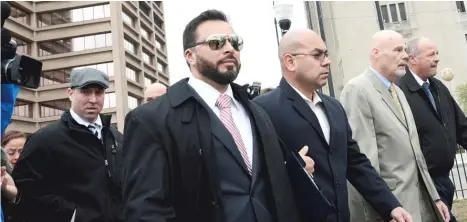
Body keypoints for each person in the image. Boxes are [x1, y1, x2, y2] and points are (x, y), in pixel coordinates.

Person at [121, 10, 314, 222]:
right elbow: (146, 210)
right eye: (216, 43)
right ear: (190, 56)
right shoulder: (151, 120)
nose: (229, 48)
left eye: (235, 42)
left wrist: (295, 168)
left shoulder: (256, 112)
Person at [253, 28, 411, 222]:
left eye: (326, 54)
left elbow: (356, 163)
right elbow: (257, 176)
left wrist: (391, 205)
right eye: (317, 55)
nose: (326, 61)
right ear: (290, 61)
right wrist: (293, 169)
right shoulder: (263, 110)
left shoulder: (334, 107)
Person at [340, 30, 450, 222]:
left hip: (421, 207)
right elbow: (363, 161)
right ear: (376, 53)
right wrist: (383, 210)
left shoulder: (397, 91)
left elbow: (417, 157)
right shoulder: (357, 90)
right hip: (393, 211)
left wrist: (434, 198)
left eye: (405, 50)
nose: (405, 56)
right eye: (398, 50)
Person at [12, 68, 123, 222]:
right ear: (70, 93)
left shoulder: (115, 137)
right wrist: (72, 214)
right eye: (85, 92)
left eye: (99, 92)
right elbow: (25, 190)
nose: (93, 99)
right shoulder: (45, 139)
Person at [397, 36, 467, 222]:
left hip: (444, 181)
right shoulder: (399, 91)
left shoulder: (438, 87)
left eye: (437, 53)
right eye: (430, 55)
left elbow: (462, 128)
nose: (436, 59)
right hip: (422, 184)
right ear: (412, 59)